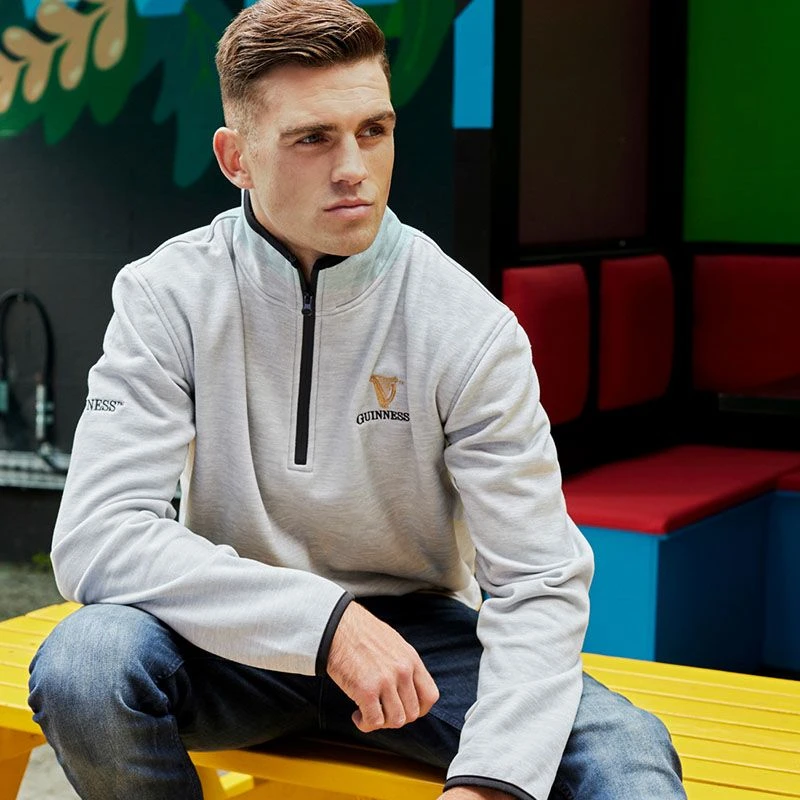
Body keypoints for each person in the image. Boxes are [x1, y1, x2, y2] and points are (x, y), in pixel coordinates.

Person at [28, 1, 686, 798]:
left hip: (418, 644)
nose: (354, 167)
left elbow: (539, 579)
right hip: (226, 630)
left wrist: (492, 781)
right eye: (313, 138)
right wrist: (325, 625)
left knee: (625, 749)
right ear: (237, 158)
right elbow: (96, 535)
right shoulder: (167, 295)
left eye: (374, 131)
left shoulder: (468, 325)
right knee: (86, 664)